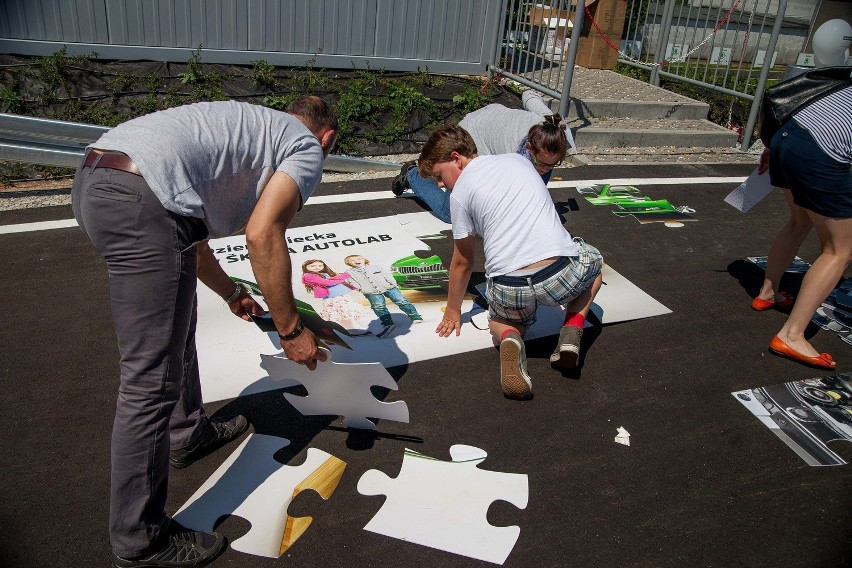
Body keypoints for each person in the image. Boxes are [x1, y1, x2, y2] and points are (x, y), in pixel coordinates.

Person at [71, 96, 337, 568]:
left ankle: (186, 433)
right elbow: (263, 233)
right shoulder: (304, 145)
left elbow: (188, 236)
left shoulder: (248, 129)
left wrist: (233, 292)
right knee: (148, 380)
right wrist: (290, 329)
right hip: (141, 200)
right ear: (327, 138)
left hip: (97, 179)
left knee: (173, 322)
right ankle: (140, 544)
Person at [418, 125, 603, 400]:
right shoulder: (519, 161)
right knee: (594, 262)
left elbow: (463, 262)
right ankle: (572, 331)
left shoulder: (459, 195)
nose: (441, 185)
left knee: (501, 321)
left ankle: (510, 340)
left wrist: (453, 312)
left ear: (456, 158)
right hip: (558, 273)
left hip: (509, 285)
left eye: (439, 176)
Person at [754, 85, 851, 370]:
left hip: (788, 137)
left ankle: (767, 293)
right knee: (839, 251)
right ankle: (792, 335)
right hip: (820, 151)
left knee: (799, 221)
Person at [392, 90, 575, 223]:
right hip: (478, 130)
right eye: (541, 163)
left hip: (498, 121)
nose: (545, 170)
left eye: (553, 165)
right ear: (529, 148)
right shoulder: (509, 156)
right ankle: (412, 175)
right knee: (451, 213)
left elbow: (531, 98)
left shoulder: (556, 129)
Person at [344, 254, 424, 331]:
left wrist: (392, 283)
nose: (356, 261)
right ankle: (387, 322)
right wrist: (361, 289)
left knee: (402, 301)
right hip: (370, 291)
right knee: (378, 306)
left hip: (389, 287)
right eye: (352, 260)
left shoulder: (376, 267)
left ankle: (415, 316)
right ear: (348, 263)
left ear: (364, 260)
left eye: (359, 259)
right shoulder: (349, 272)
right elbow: (352, 282)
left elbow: (387, 275)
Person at [301, 258, 375, 335]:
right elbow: (327, 283)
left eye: (320, 265)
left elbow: (343, 276)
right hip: (333, 299)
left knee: (345, 315)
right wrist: (339, 279)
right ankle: (373, 329)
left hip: (341, 296)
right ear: (305, 267)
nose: (317, 267)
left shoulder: (325, 274)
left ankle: (352, 331)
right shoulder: (308, 276)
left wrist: (340, 278)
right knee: (353, 313)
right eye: (312, 266)